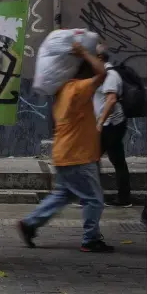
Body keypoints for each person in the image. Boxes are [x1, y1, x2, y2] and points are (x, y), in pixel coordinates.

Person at [18, 42, 114, 253]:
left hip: (64, 154)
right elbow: (102, 73)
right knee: (94, 199)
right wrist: (83, 53)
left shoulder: (64, 90)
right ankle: (91, 240)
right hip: (78, 156)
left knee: (64, 195)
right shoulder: (78, 89)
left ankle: (30, 223)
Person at [94, 47, 132, 207]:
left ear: (100, 58)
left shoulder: (110, 75)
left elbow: (111, 100)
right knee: (117, 160)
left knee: (91, 158)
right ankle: (123, 198)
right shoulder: (102, 74)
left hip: (111, 124)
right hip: (111, 124)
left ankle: (91, 196)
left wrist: (100, 122)